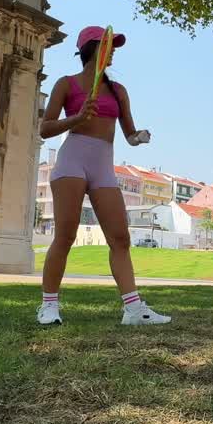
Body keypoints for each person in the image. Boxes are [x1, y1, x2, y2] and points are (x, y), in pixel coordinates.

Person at [36, 26, 171, 327]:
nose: (112, 51)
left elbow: (129, 135)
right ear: (91, 49)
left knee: (120, 238)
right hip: (71, 163)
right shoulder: (66, 84)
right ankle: (48, 306)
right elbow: (44, 129)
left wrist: (140, 137)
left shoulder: (118, 90)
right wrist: (78, 117)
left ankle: (134, 310)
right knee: (66, 236)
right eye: (108, 46)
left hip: (103, 167)